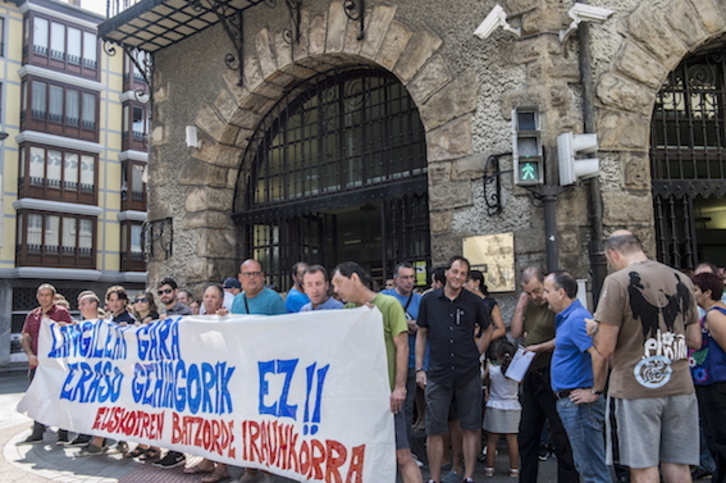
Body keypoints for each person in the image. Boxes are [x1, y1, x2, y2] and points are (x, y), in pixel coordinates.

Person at [585, 230, 701, 483]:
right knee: (678, 465)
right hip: (680, 384)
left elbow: (604, 348)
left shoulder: (617, 281)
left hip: (637, 387)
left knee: (642, 466)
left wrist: (595, 329)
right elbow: (694, 340)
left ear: (613, 254)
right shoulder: (681, 279)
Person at [331, 261, 422, 483]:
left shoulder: (388, 304)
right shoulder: (347, 311)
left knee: (402, 455)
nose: (335, 290)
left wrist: (399, 387)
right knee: (365, 457)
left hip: (388, 397)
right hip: (362, 399)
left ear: (354, 279)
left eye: (338, 283)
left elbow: (402, 346)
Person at [415, 256, 493, 483]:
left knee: (470, 426)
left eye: (463, 274)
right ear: (447, 273)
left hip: (467, 373)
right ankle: (435, 478)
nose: (458, 277)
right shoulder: (429, 300)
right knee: (434, 429)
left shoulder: (474, 301)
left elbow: (487, 330)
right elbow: (421, 333)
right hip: (438, 373)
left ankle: (468, 476)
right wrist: (420, 368)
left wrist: (476, 352)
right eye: (455, 272)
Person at [511, 267, 578, 483]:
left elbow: (564, 339)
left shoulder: (555, 305)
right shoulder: (529, 304)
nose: (535, 296)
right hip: (532, 374)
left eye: (537, 291)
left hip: (552, 373)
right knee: (527, 434)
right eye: (529, 292)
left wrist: (539, 347)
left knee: (560, 435)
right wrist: (520, 307)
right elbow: (515, 333)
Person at [543, 271, 609, 483]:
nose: (544, 296)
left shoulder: (576, 319)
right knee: (586, 464)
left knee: (591, 466)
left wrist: (595, 392)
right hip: (572, 402)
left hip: (580, 405)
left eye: (547, 291)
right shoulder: (567, 319)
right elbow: (566, 343)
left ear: (561, 293)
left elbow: (599, 356)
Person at [231, 260, 285, 483]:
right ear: (240, 277)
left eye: (256, 273)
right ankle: (250, 468)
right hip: (245, 372)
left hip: (268, 372)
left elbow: (286, 331)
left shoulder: (273, 300)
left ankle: (269, 470)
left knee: (268, 423)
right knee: (246, 422)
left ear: (262, 276)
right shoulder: (236, 301)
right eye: (248, 274)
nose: (252, 278)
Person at [184, 284, 231, 483]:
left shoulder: (228, 319)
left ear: (221, 300)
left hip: (223, 379)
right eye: (206, 296)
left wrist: (225, 319)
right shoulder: (199, 320)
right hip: (203, 378)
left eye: (213, 297)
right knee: (206, 422)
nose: (209, 300)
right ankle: (207, 460)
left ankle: (222, 467)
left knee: (221, 423)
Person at [18, 283, 72, 444]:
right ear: (37, 297)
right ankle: (37, 432)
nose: (44, 298)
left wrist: (56, 325)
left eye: (47, 295)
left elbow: (69, 334)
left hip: (56, 365)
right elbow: (25, 337)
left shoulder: (61, 313)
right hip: (37, 364)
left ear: (53, 297)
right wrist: (30, 355)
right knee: (37, 398)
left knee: (59, 398)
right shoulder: (32, 315)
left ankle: (63, 434)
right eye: (41, 295)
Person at [690, 272, 726, 482]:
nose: (692, 294)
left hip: (717, 382)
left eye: (695, 290)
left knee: (720, 436)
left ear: (707, 292)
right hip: (708, 382)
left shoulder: (714, 315)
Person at [153, 277, 191, 470]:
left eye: (167, 291)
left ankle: (178, 452)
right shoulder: (165, 313)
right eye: (160, 292)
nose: (164, 295)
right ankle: (172, 450)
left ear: (175, 292)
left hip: (180, 370)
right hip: (167, 370)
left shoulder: (184, 312)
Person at [482, 339, 521, 478]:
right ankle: (514, 468)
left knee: (492, 440)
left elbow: (484, 380)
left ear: (497, 354)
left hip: (494, 405)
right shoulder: (516, 372)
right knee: (512, 439)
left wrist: (487, 367)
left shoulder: (493, 370)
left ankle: (489, 468)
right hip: (513, 406)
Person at [466, 270, 506, 341]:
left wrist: (483, 341)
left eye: (467, 282)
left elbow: (501, 329)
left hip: (488, 346)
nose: (463, 285)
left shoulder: (489, 303)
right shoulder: (465, 303)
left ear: (477, 283)